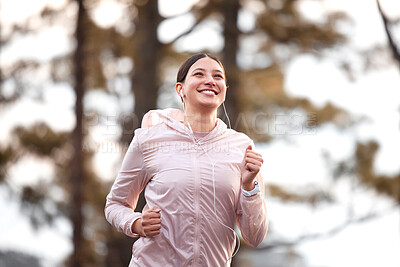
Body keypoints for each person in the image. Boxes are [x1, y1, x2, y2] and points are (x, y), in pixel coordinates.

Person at [105, 53, 268, 266]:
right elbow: (115, 204)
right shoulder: (149, 138)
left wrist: (249, 186)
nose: (210, 80)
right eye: (199, 74)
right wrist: (136, 223)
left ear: (224, 91)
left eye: (218, 76)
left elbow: (254, 236)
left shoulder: (240, 146)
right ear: (180, 89)